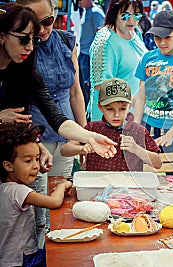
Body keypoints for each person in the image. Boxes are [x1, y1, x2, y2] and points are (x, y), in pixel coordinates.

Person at [0, 2, 117, 249]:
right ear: (2, 36)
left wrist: (89, 136)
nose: (31, 47)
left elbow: (57, 117)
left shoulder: (26, 67)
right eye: (24, 40)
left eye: (34, 39)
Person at [17, 0, 87, 177]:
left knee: (61, 189)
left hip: (66, 134)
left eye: (47, 21)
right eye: (34, 23)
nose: (41, 29)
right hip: (34, 135)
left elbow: (75, 92)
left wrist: (85, 133)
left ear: (54, 13)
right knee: (36, 195)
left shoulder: (66, 41)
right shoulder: (20, 48)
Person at [134, 10, 173, 174]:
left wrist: (171, 134)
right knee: (143, 171)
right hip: (148, 126)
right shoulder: (147, 59)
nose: (161, 42)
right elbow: (141, 96)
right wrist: (136, 126)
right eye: (157, 37)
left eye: (167, 37)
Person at [0, 122, 72, 267]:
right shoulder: (18, 191)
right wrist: (62, 185)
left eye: (37, 159)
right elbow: (54, 202)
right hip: (21, 260)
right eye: (28, 161)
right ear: (8, 165)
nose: (35, 166)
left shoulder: (4, 188)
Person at [61, 78, 162, 171]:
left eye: (122, 109)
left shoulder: (139, 131)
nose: (116, 115)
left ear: (130, 106)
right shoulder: (92, 128)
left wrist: (136, 149)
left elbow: (158, 163)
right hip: (98, 185)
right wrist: (81, 149)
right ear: (100, 107)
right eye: (110, 109)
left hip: (129, 187)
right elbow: (64, 150)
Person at [88, 0, 147, 121]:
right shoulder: (105, 40)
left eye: (137, 15)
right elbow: (100, 85)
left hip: (133, 116)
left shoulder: (136, 33)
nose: (131, 20)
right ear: (115, 13)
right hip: (109, 118)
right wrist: (132, 99)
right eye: (125, 15)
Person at [77, 0, 105, 107]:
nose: (79, 2)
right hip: (83, 53)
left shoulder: (96, 12)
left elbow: (100, 35)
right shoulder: (86, 11)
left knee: (88, 86)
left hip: (89, 56)